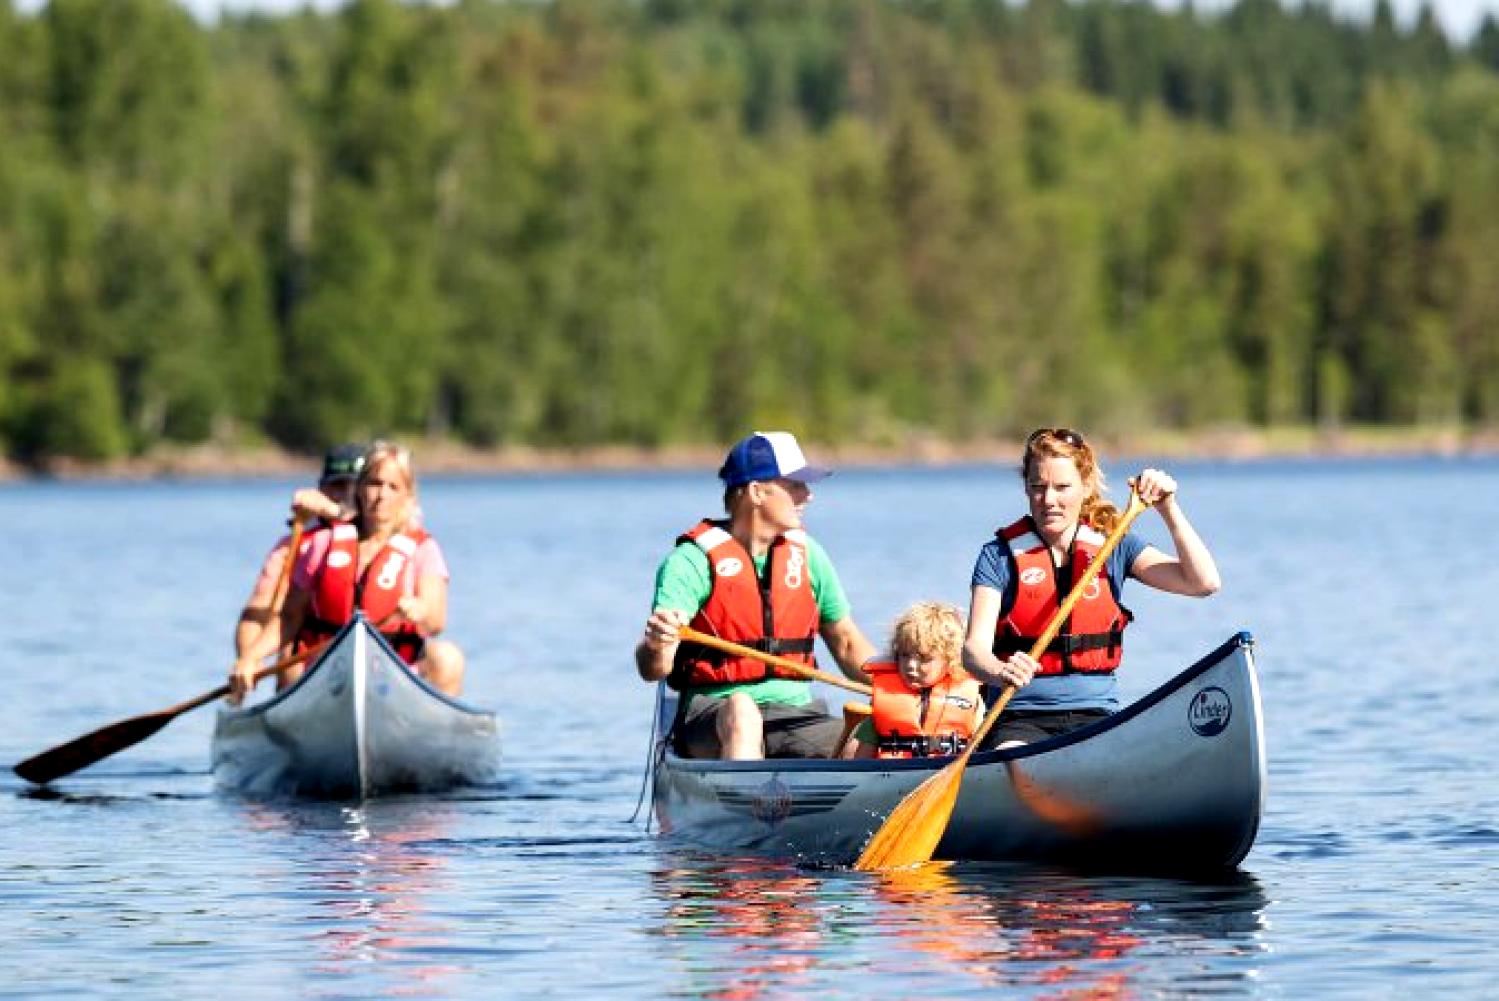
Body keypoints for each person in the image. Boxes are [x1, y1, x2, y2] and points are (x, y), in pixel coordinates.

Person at [962, 427, 1221, 748]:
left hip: (1097, 717)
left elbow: (1203, 583)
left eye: (1062, 487)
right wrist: (999, 671)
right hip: (1019, 719)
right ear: (1026, 489)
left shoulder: (1114, 546)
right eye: (1038, 487)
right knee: (1013, 755)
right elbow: (973, 652)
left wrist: (1168, 508)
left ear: (1085, 487)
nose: (1049, 500)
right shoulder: (998, 555)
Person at [636, 431, 878, 760]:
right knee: (743, 712)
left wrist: (905, 686)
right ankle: (746, 805)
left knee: (869, 736)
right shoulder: (691, 561)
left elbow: (848, 644)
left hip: (795, 716)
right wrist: (656, 645)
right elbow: (654, 669)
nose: (808, 496)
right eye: (795, 485)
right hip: (712, 715)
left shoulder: (808, 555)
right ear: (756, 492)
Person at [230, 441, 465, 702]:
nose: (382, 495)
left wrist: (420, 610)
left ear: (407, 497)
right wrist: (251, 658)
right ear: (361, 490)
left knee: (448, 657)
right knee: (290, 657)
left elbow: (436, 619)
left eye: (393, 487)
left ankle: (431, 732)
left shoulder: (423, 549)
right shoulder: (322, 544)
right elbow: (288, 619)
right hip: (328, 672)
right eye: (374, 484)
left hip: (395, 675)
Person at [234, 443, 366, 662]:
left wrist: (335, 512)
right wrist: (248, 660)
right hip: (316, 653)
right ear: (323, 490)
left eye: (356, 485)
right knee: (290, 657)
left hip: (378, 651)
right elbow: (259, 609)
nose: (348, 494)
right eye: (339, 485)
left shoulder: (388, 534)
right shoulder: (294, 544)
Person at [844, 601, 984, 759]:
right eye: (904, 655)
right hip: (894, 773)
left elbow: (982, 743)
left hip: (948, 769)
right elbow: (858, 754)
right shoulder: (887, 700)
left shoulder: (972, 699)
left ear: (950, 659)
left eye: (924, 659)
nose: (910, 665)